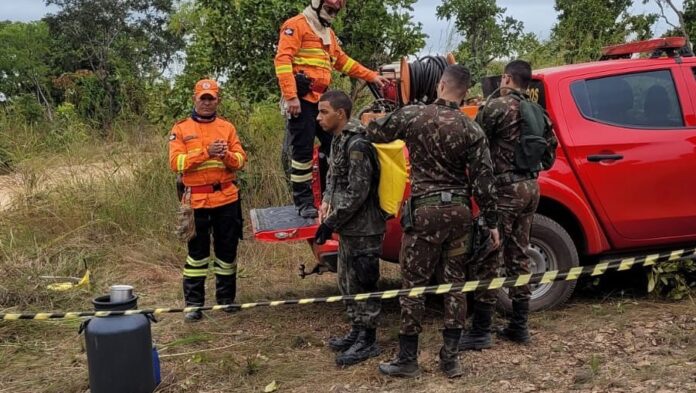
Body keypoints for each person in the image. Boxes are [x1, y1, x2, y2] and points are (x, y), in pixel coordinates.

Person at [365, 65, 500, 378]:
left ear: (440, 84)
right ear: (464, 91)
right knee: (455, 284)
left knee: (414, 285)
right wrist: (491, 221)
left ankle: (407, 359)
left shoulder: (414, 115)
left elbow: (377, 133)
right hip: (458, 214)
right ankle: (450, 359)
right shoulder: (471, 129)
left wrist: (368, 118)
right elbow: (483, 181)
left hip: (425, 214)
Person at [460, 60, 557, 348]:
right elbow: (550, 155)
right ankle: (519, 327)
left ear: (506, 78)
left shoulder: (496, 107)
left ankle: (481, 331)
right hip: (530, 186)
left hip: (504, 189)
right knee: (519, 254)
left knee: (489, 255)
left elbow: (473, 142)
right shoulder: (538, 112)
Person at [274, 0, 387, 218]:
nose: (333, 14)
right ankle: (304, 202)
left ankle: (330, 194)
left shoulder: (328, 34)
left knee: (333, 145)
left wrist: (371, 75)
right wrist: (291, 97)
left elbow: (343, 62)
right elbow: (283, 61)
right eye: (330, 9)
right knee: (302, 152)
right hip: (302, 99)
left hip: (321, 100)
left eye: (336, 11)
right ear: (317, 4)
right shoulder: (296, 25)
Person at [313, 90, 387, 366]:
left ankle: (368, 340)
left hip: (364, 228)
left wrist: (331, 222)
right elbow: (333, 177)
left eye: (324, 112)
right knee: (346, 281)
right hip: (348, 226)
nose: (319, 117)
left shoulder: (358, 144)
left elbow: (358, 192)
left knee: (363, 282)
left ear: (340, 114)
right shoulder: (338, 140)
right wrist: (326, 204)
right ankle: (356, 330)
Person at [168, 79, 247, 322]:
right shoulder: (180, 129)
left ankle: (225, 300)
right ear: (195, 99)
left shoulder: (227, 127)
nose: (206, 102)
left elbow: (241, 160)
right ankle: (194, 304)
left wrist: (227, 157)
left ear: (217, 100)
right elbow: (176, 163)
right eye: (203, 98)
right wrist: (206, 153)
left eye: (211, 98)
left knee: (227, 251)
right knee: (197, 254)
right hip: (196, 201)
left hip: (227, 198)